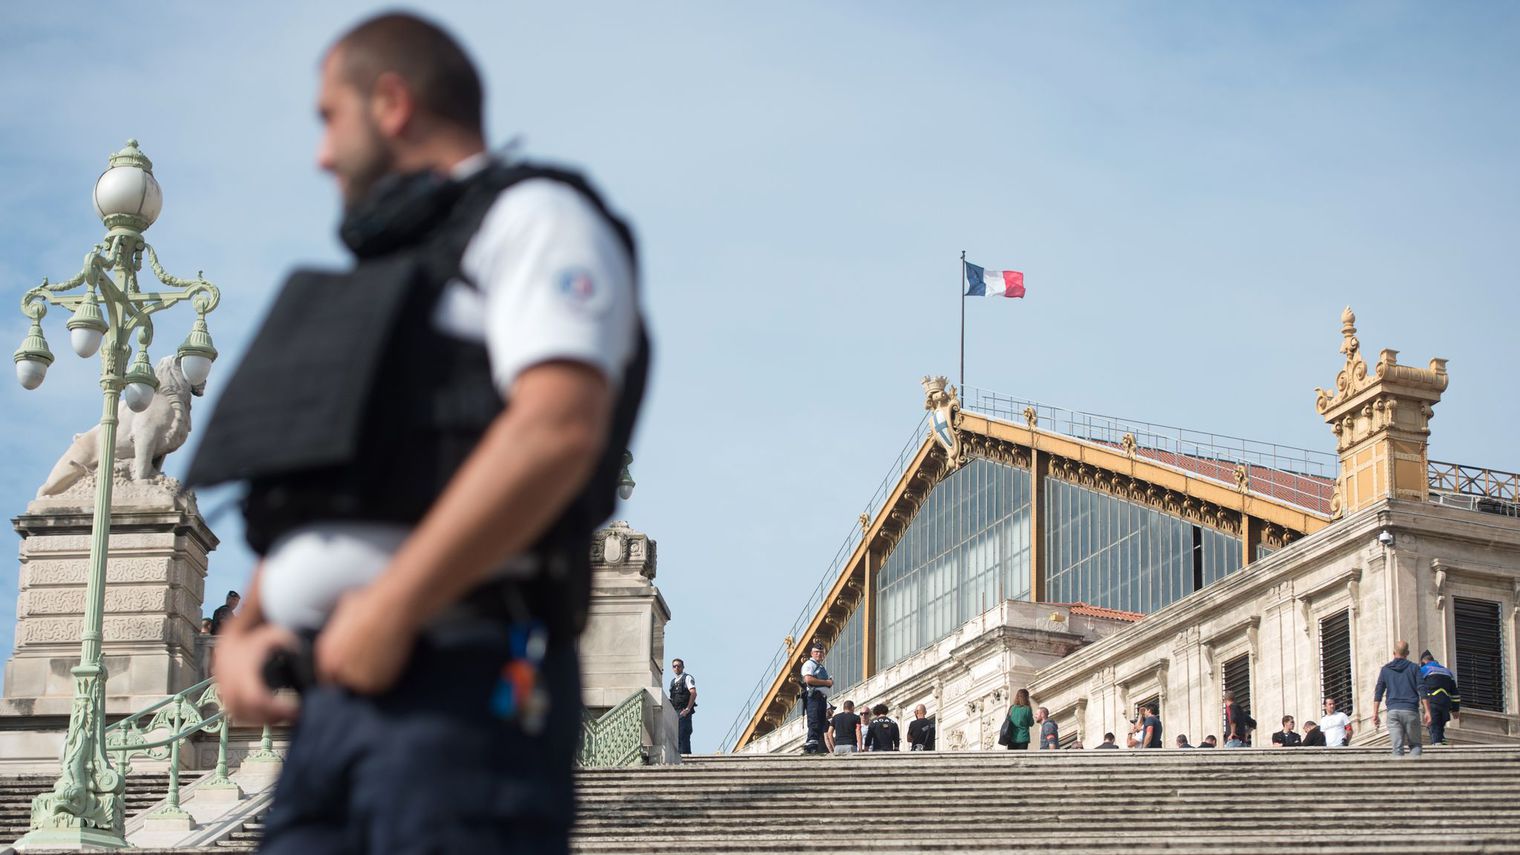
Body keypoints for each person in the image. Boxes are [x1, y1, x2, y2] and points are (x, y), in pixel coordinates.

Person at [194, 13, 648, 853]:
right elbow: (334, 482)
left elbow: (557, 426)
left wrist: (395, 605)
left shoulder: (537, 218)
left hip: (461, 680)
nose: (322, 153)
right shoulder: (387, 279)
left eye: (329, 117)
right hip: (331, 707)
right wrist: (249, 624)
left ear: (392, 103)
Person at [1374, 640, 1430, 757]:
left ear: (1394, 652)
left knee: (1397, 748)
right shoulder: (1414, 668)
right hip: (1410, 710)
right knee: (1415, 745)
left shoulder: (1385, 670)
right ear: (1407, 653)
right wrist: (1427, 711)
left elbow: (1378, 692)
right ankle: (1414, 773)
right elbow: (1422, 688)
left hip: (1393, 711)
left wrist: (1375, 713)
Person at [1419, 650, 1461, 745]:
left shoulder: (1423, 670)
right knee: (1440, 727)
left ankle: (1438, 748)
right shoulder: (1447, 671)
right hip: (1445, 704)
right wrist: (1455, 709)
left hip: (1432, 702)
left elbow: (1417, 686)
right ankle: (1442, 741)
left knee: (1434, 728)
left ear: (1423, 661)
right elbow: (1455, 692)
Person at [801, 644, 834, 754]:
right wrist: (826, 683)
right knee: (814, 721)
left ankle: (816, 745)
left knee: (820, 722)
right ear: (812, 653)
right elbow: (808, 679)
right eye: (816, 652)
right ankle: (811, 745)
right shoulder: (809, 664)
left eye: (821, 652)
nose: (819, 654)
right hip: (814, 697)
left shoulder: (819, 666)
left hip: (821, 698)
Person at [669, 658, 697, 755]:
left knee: (683, 734)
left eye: (678, 666)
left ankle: (685, 758)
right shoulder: (673, 682)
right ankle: (678, 757)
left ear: (683, 667)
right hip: (675, 712)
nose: (676, 668)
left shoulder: (687, 678)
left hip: (683, 711)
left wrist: (688, 709)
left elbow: (693, 693)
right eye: (674, 666)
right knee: (676, 736)